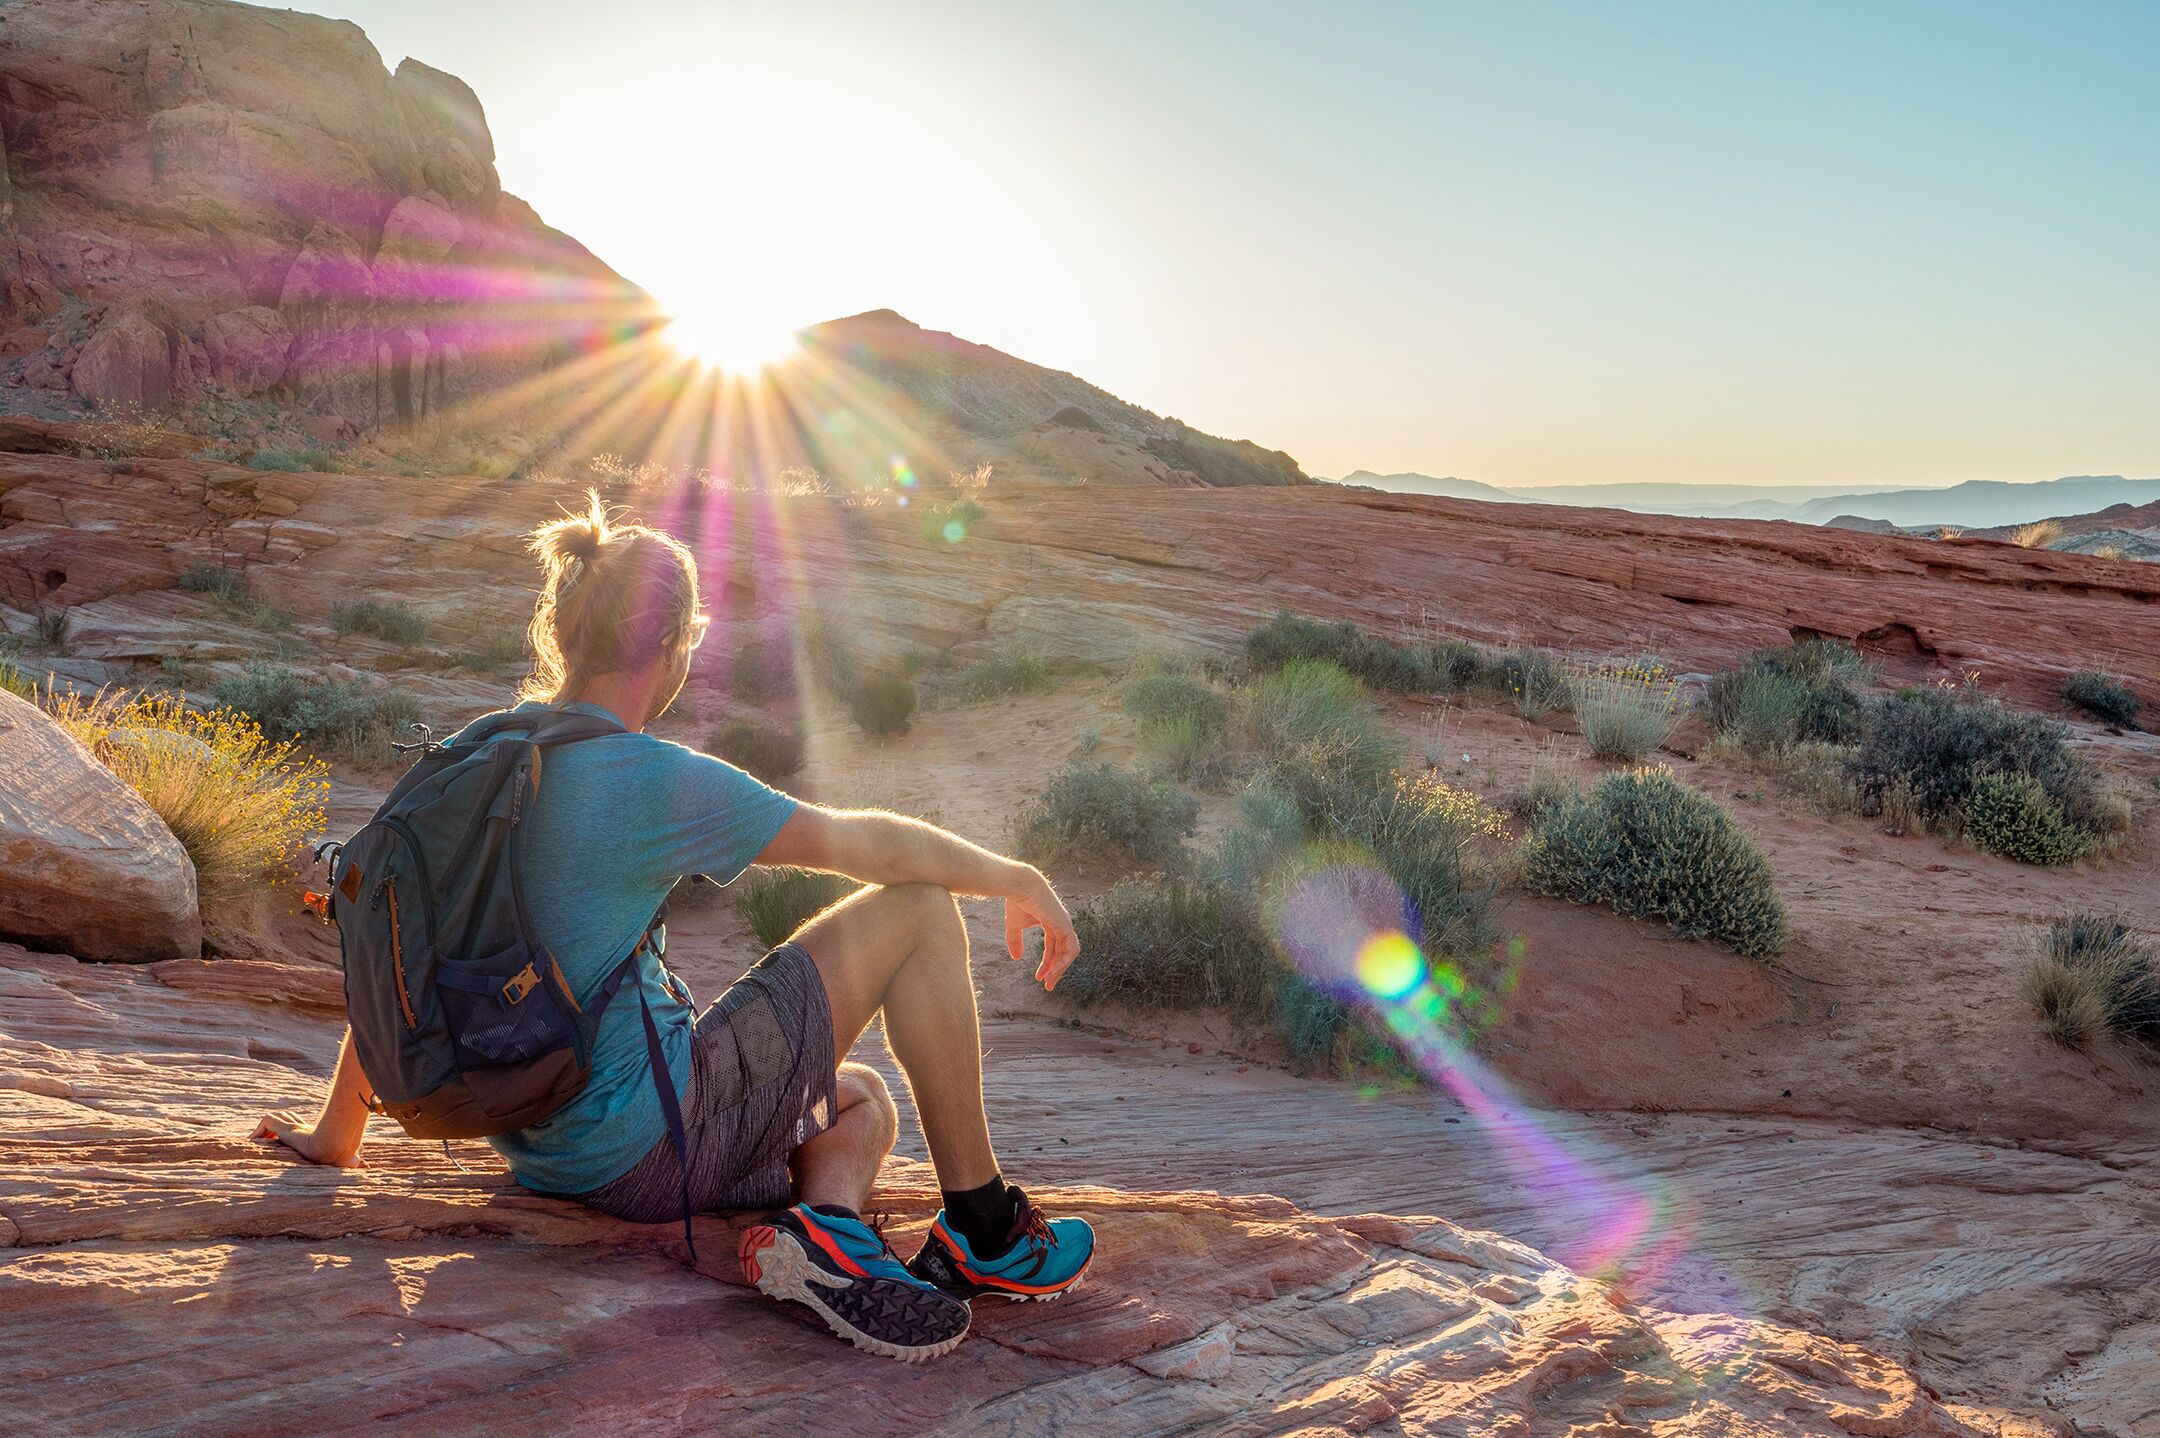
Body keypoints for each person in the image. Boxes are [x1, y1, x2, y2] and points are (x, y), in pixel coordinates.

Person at [250, 492, 1093, 1363]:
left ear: (568, 634)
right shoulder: (647, 776)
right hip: (649, 1148)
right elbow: (862, 845)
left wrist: (335, 1136)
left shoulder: (482, 751)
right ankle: (985, 1234)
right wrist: (1014, 874)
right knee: (918, 911)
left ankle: (827, 1232)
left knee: (860, 1100)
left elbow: (404, 939)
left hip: (537, 1146)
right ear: (671, 641)